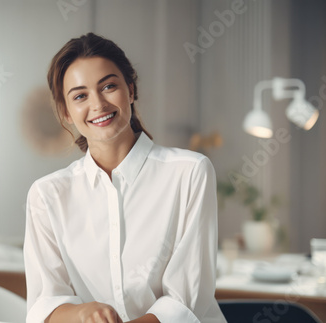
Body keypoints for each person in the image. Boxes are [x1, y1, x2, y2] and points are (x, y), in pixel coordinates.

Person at [24, 33, 227, 323]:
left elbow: (185, 300)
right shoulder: (47, 194)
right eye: (80, 96)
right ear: (66, 113)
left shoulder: (190, 172)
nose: (97, 104)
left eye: (108, 86)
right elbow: (44, 304)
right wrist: (81, 313)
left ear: (130, 91)